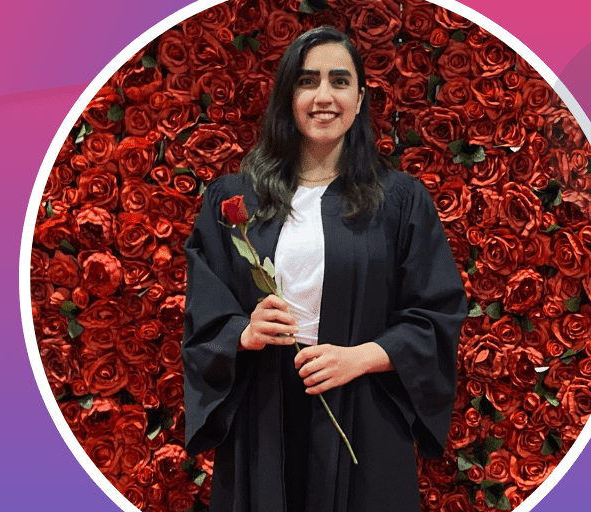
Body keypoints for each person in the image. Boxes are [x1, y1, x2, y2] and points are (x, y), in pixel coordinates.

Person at [181, 26, 467, 512]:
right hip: (264, 410)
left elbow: (436, 314)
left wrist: (362, 357)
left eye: (339, 80)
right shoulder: (236, 198)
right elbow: (204, 313)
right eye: (307, 80)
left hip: (363, 410)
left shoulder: (399, 201)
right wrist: (243, 333)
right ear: (287, 95)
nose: (324, 96)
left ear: (360, 97)